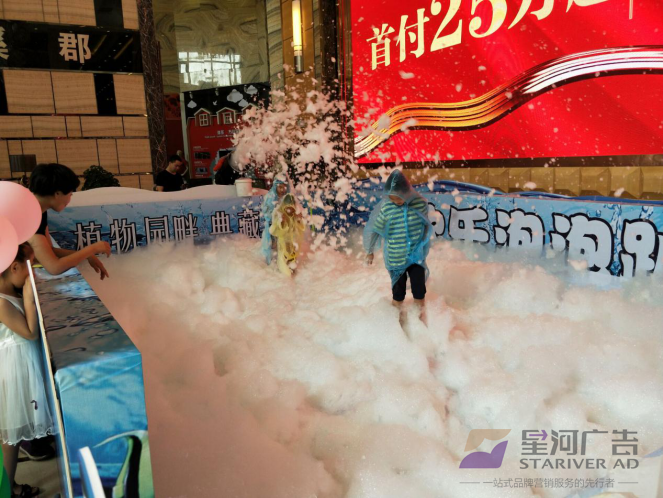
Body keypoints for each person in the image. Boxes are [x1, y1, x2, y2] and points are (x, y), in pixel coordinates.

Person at [0, 244, 55, 498]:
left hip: (19, 365)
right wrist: (30, 296)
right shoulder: (2, 302)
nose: (32, 271)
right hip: (14, 371)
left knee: (11, 437)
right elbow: (30, 332)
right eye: (29, 266)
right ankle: (7, 490)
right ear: (14, 267)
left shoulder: (8, 292)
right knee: (11, 436)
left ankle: (8, 486)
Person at [363, 170, 433, 325]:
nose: (396, 202)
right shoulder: (387, 208)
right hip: (396, 258)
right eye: (392, 199)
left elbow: (425, 225)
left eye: (399, 198)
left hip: (415, 256)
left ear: (407, 192)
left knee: (419, 290)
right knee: (398, 294)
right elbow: (375, 229)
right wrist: (369, 251)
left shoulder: (420, 204)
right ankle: (396, 322)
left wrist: (423, 245)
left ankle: (421, 320)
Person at [28, 163, 111, 281]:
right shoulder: (29, 218)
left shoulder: (39, 210)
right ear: (57, 193)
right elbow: (54, 267)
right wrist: (93, 248)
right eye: (70, 194)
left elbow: (50, 250)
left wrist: (88, 255)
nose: (69, 200)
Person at [268, 194, 305, 276]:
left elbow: (301, 229)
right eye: (287, 208)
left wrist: (299, 220)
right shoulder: (280, 215)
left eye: (291, 208)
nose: (289, 210)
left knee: (292, 262)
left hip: (292, 246)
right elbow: (274, 231)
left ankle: (292, 269)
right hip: (283, 245)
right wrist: (282, 222)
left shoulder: (295, 216)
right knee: (285, 271)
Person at [260, 174, 290, 264]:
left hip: (284, 227)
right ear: (275, 186)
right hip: (272, 227)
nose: (282, 189)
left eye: (284, 187)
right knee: (273, 246)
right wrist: (277, 215)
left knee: (284, 245)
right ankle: (271, 262)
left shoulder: (287, 197)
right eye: (280, 187)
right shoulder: (270, 197)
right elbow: (266, 213)